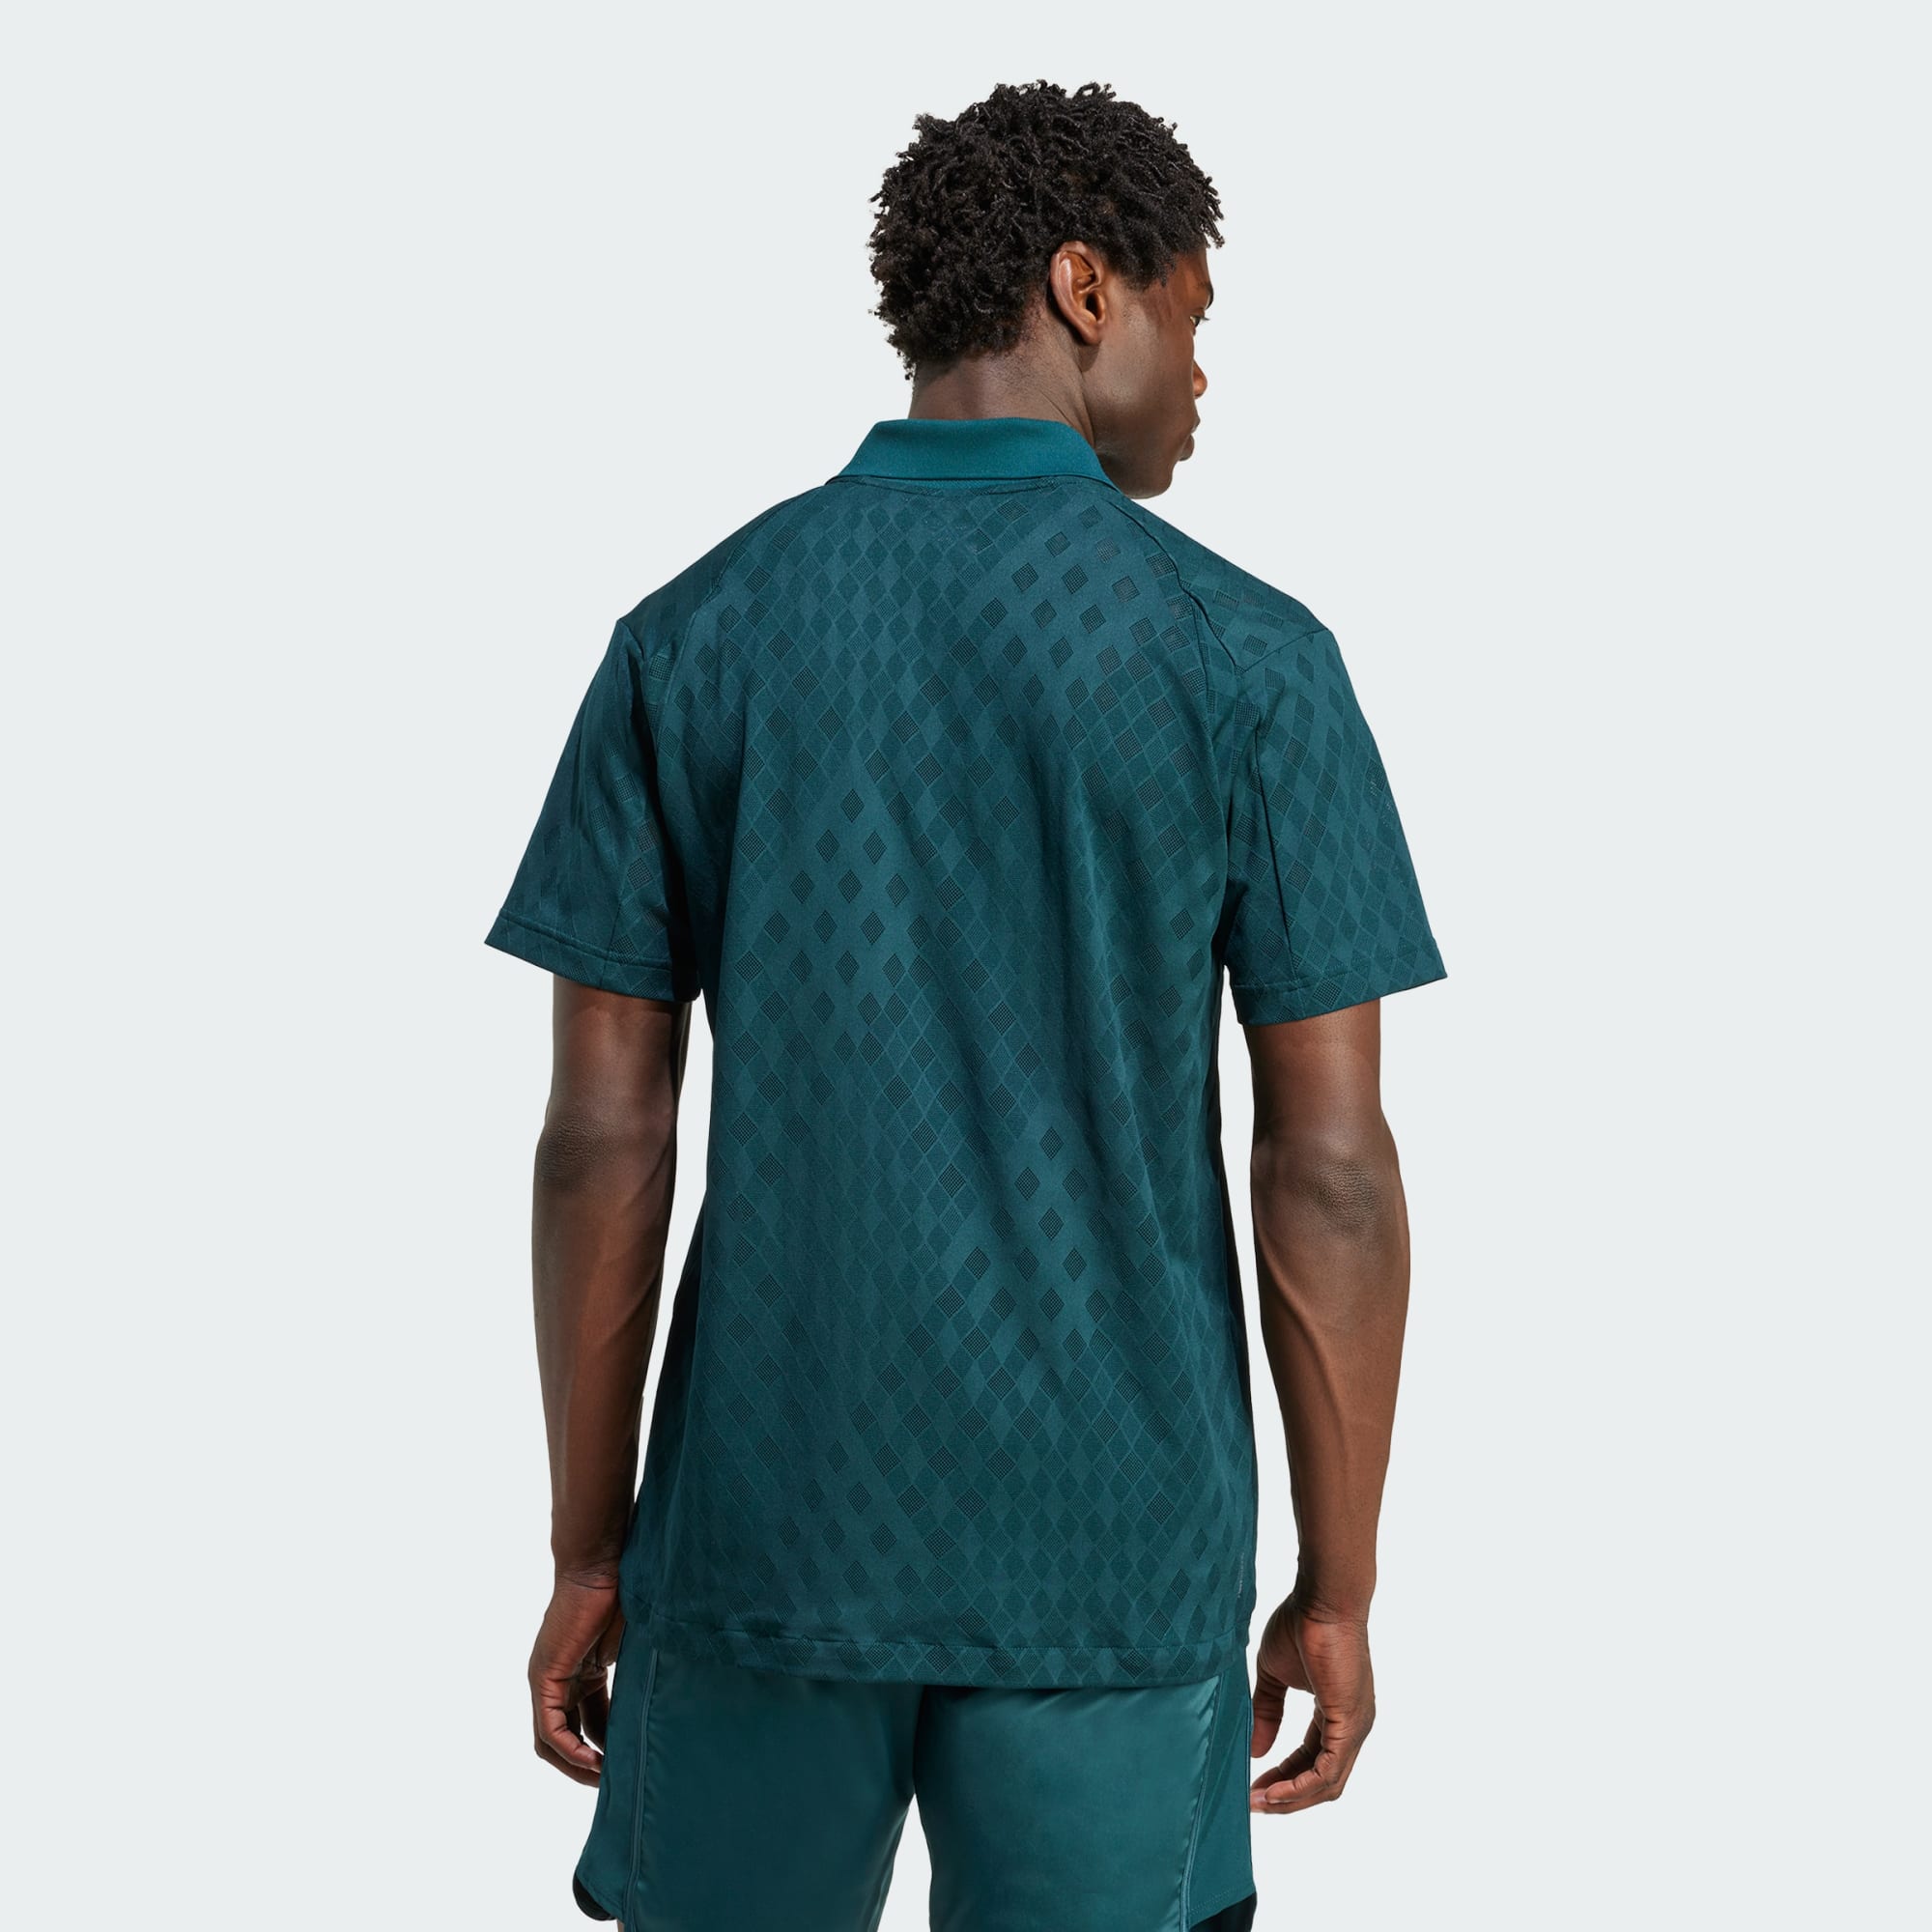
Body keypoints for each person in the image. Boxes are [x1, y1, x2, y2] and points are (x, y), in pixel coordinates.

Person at [486, 77, 1446, 1932]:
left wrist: (591, 1547)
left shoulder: (693, 636)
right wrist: (1337, 1585)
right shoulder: (1251, 660)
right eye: (1191, 313)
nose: (1203, 375)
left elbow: (600, 1138)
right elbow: (1329, 1168)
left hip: (765, 1535)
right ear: (1088, 289)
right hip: (1112, 1555)